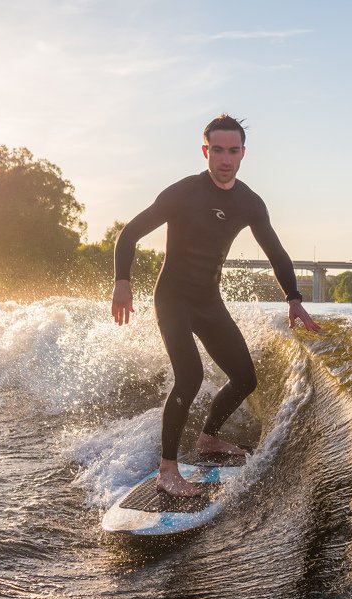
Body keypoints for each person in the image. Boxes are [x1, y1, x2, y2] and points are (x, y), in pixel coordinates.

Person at [111, 114, 320, 497]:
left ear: (243, 153)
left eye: (233, 151)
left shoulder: (250, 203)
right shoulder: (184, 193)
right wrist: (122, 282)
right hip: (173, 297)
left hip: (208, 300)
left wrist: (294, 299)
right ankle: (168, 471)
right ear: (206, 151)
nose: (226, 159)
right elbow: (130, 233)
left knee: (245, 378)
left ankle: (209, 438)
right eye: (218, 150)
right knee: (189, 377)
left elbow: (276, 252)